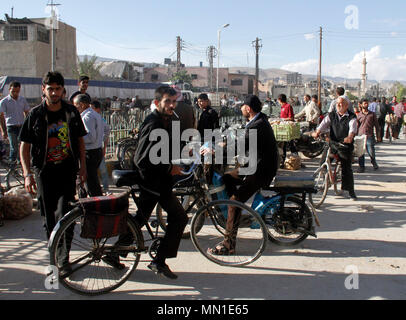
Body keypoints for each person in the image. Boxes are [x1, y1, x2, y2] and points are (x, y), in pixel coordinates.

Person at [19, 72, 87, 275]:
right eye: (51, 89)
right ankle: (54, 255)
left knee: (66, 214)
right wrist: (27, 174)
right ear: (44, 89)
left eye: (58, 89)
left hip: (67, 171)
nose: (55, 93)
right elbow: (24, 147)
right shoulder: (35, 115)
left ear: (62, 90)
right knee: (49, 218)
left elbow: (80, 142)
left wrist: (82, 166)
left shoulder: (71, 112)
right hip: (44, 173)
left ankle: (64, 259)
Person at [206, 94, 279, 255]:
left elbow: (240, 146)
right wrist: (224, 144)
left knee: (234, 202)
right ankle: (235, 215)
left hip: (261, 171)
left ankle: (228, 245)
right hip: (254, 166)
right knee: (226, 178)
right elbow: (242, 141)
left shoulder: (257, 125)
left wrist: (217, 151)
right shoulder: (256, 122)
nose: (240, 109)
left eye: (242, 107)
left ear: (248, 108)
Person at [131, 86, 188, 279]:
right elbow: (142, 159)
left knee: (140, 218)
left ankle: (115, 252)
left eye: (174, 102)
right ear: (157, 103)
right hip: (153, 182)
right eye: (167, 101)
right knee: (180, 218)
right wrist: (168, 168)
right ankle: (159, 260)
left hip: (158, 181)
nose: (172, 105)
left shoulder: (166, 120)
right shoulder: (154, 123)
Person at [312, 96, 358, 200]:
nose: (339, 105)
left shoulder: (351, 117)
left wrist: (350, 137)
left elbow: (352, 129)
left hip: (344, 146)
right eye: (338, 103)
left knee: (346, 168)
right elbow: (323, 125)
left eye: (342, 103)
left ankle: (351, 191)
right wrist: (317, 132)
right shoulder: (331, 115)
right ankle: (325, 181)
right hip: (333, 144)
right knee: (322, 163)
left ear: (347, 105)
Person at [73, 94, 106, 197]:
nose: (75, 108)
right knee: (91, 181)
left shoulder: (87, 117)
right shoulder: (95, 114)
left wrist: (77, 139)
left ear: (81, 105)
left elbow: (91, 137)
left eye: (76, 105)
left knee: (91, 183)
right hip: (96, 151)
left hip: (90, 153)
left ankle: (95, 205)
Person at [0, 81, 31, 162]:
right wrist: (3, 130)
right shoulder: (4, 101)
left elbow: (27, 112)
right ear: (9, 89)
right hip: (11, 127)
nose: (15, 93)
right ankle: (12, 167)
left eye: (17, 91)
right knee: (14, 148)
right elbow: (1, 117)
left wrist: (27, 125)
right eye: (13, 91)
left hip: (21, 126)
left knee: (23, 147)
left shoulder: (22, 100)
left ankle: (20, 164)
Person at [91, 100, 111, 195]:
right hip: (93, 148)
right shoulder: (89, 118)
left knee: (102, 169)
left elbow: (107, 131)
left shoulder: (101, 120)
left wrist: (104, 146)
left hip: (98, 147)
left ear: (98, 109)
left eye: (93, 108)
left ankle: (106, 188)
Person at [356, 99, 380, 173]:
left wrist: (378, 135)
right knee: (361, 152)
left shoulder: (372, 114)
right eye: (364, 103)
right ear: (361, 105)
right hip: (360, 135)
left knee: (371, 151)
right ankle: (361, 167)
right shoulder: (359, 115)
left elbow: (376, 125)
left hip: (369, 135)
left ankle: (373, 161)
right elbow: (356, 126)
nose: (366, 105)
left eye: (367, 103)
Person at [278, 93, 297, 168]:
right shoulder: (282, 107)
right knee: (283, 146)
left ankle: (296, 160)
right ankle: (283, 162)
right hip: (283, 129)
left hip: (288, 129)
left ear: (280, 100)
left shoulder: (288, 106)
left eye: (278, 100)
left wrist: (283, 119)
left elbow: (291, 118)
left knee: (291, 144)